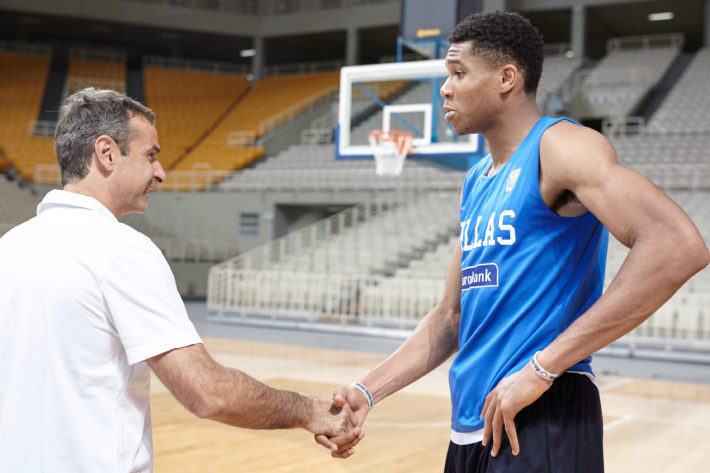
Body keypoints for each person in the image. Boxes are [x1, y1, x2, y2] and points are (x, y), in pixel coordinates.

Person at [315, 11, 710, 472]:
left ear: (506, 78)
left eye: (458, 73)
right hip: (473, 425)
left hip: (543, 414)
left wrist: (543, 367)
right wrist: (367, 392)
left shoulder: (559, 146)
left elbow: (676, 245)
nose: (445, 88)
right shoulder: (476, 181)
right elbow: (450, 316)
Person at [0, 88, 360, 472]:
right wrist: (309, 411)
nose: (160, 172)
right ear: (107, 153)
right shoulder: (121, 251)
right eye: (150, 156)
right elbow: (208, 393)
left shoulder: (10, 247)